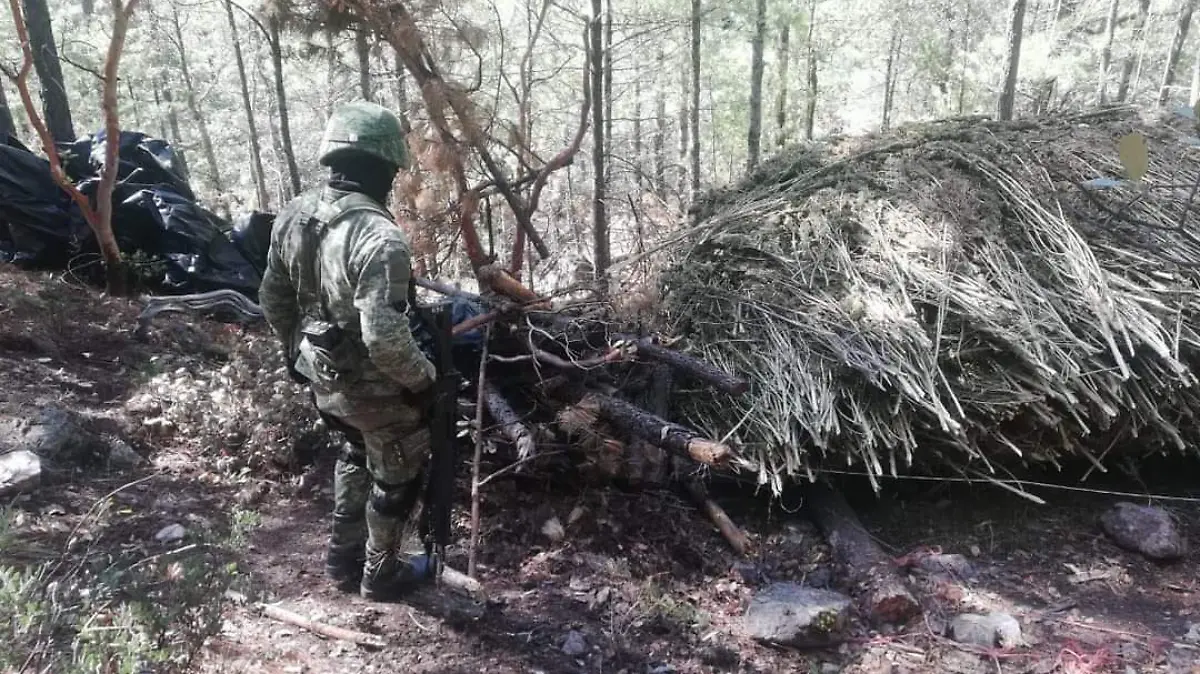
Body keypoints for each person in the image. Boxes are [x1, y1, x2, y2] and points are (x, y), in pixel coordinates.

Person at [258, 100, 438, 601]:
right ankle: (380, 573)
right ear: (386, 166)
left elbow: (273, 299)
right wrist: (425, 383)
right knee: (398, 474)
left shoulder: (294, 215)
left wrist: (294, 354)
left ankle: (342, 560)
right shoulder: (379, 237)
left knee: (356, 452)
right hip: (373, 389)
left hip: (322, 376)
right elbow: (384, 340)